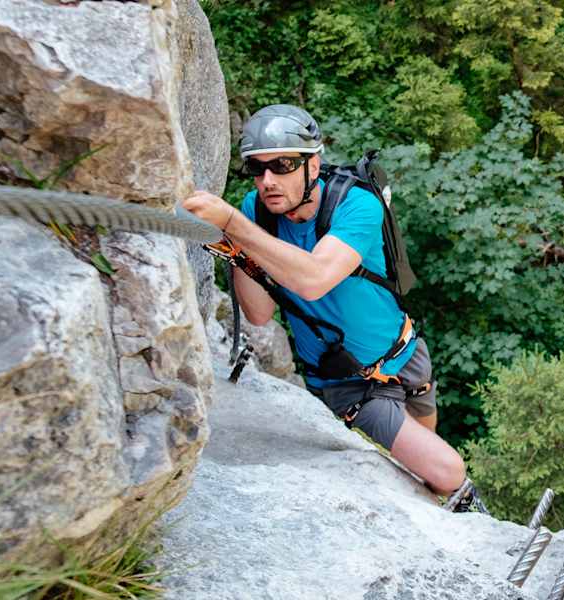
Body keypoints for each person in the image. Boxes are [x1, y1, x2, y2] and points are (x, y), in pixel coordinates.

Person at [183, 104, 469, 500]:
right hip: (351, 382)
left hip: (408, 354)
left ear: (312, 167)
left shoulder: (357, 204)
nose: (268, 181)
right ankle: (459, 506)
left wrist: (234, 225)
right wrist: (239, 249)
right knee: (449, 471)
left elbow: (314, 279)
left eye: (282, 165)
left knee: (427, 470)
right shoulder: (255, 214)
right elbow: (259, 313)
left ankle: (435, 508)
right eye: (257, 169)